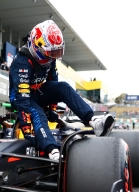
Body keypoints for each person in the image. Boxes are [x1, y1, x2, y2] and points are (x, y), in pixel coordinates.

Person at [9, 20, 114, 160]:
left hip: (38, 91)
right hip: (21, 97)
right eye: (50, 52)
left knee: (63, 87)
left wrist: (52, 109)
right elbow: (22, 99)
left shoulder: (49, 58)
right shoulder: (22, 62)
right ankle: (52, 150)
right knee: (36, 112)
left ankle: (94, 121)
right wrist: (27, 131)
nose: (53, 56)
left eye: (56, 52)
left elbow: (53, 82)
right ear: (36, 45)